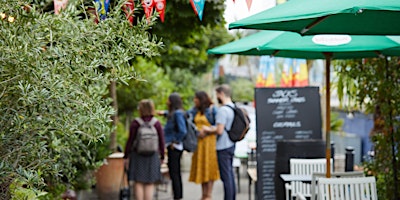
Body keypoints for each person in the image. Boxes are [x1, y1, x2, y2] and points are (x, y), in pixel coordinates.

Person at [123, 99, 165, 200]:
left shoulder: (136, 123)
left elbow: (130, 141)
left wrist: (126, 156)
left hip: (137, 155)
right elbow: (161, 141)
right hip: (153, 156)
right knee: (149, 182)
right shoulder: (156, 123)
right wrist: (162, 156)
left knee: (138, 182)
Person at [203, 84, 236, 200]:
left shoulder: (222, 110)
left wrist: (208, 130)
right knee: (230, 175)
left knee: (226, 177)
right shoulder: (233, 107)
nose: (216, 97)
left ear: (221, 94)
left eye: (217, 94)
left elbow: (220, 130)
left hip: (223, 146)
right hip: (231, 144)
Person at [188, 91, 219, 200]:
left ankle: (208, 195)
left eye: (196, 98)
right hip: (199, 143)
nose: (194, 100)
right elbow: (187, 120)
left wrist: (207, 130)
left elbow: (218, 126)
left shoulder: (212, 109)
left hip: (210, 142)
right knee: (201, 168)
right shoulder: (194, 110)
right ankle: (203, 194)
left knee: (209, 167)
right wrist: (197, 132)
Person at [163, 93, 187, 200]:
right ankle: (176, 194)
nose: (167, 102)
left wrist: (175, 142)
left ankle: (177, 195)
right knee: (174, 172)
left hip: (175, 147)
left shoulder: (177, 114)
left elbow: (183, 131)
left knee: (175, 172)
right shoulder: (174, 113)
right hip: (172, 146)